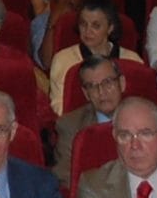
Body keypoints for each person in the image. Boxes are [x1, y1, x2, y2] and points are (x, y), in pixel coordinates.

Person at [47, 0, 141, 117]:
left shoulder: (133, 60)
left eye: (96, 26)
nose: (87, 31)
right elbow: (59, 108)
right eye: (83, 24)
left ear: (110, 28)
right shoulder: (63, 59)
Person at [54, 53, 128, 186]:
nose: (101, 92)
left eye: (107, 82)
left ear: (122, 83)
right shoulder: (70, 126)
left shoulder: (147, 116)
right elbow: (65, 175)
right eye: (92, 86)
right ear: (86, 93)